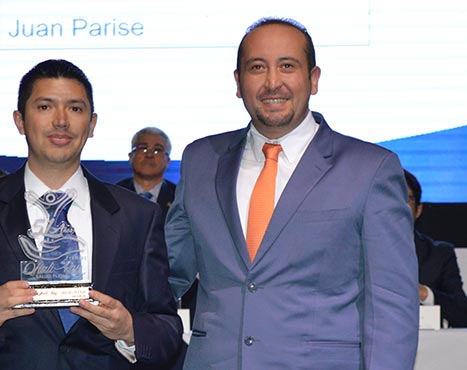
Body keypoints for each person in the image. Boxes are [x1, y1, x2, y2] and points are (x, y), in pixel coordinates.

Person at [165, 17, 419, 369]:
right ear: (238, 83)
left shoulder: (371, 169)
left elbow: (391, 304)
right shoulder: (200, 160)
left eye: (287, 66)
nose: (272, 83)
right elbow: (168, 273)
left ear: (313, 79)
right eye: (257, 67)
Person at [0, 59, 182, 369]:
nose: (61, 121)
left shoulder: (138, 215)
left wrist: (129, 329)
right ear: (20, 121)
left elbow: (168, 331)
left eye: (75, 109)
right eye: (44, 107)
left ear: (92, 125)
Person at [404, 169, 467, 327]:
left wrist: (423, 293)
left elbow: (464, 313)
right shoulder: (358, 250)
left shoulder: (439, 254)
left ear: (418, 210)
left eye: (406, 198)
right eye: (392, 198)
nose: (398, 206)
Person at [117, 127, 176, 217]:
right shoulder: (115, 194)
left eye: (157, 150)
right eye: (143, 148)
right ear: (131, 156)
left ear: (167, 161)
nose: (149, 155)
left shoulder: (179, 198)